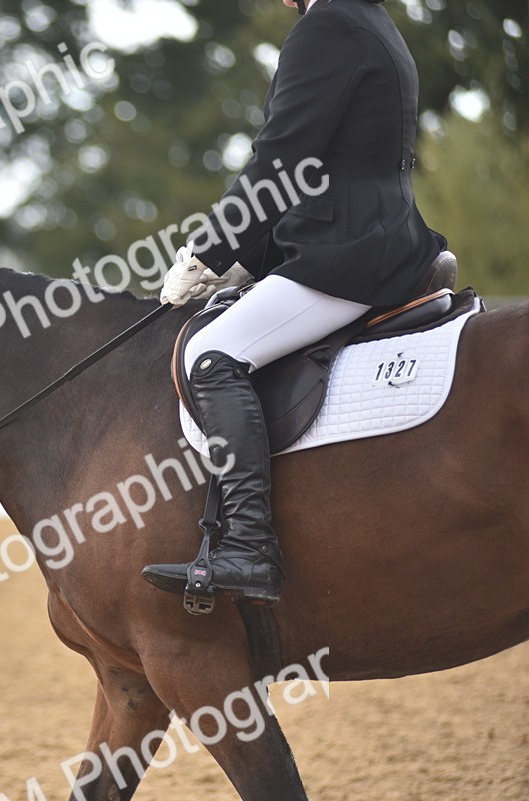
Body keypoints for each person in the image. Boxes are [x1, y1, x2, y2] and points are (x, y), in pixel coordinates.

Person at [140, 0, 443, 606]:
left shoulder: (327, 24)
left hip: (349, 256)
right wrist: (246, 262)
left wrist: (207, 254)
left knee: (212, 352)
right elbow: (315, 171)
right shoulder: (372, 21)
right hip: (370, 237)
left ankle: (249, 548)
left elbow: (281, 158)